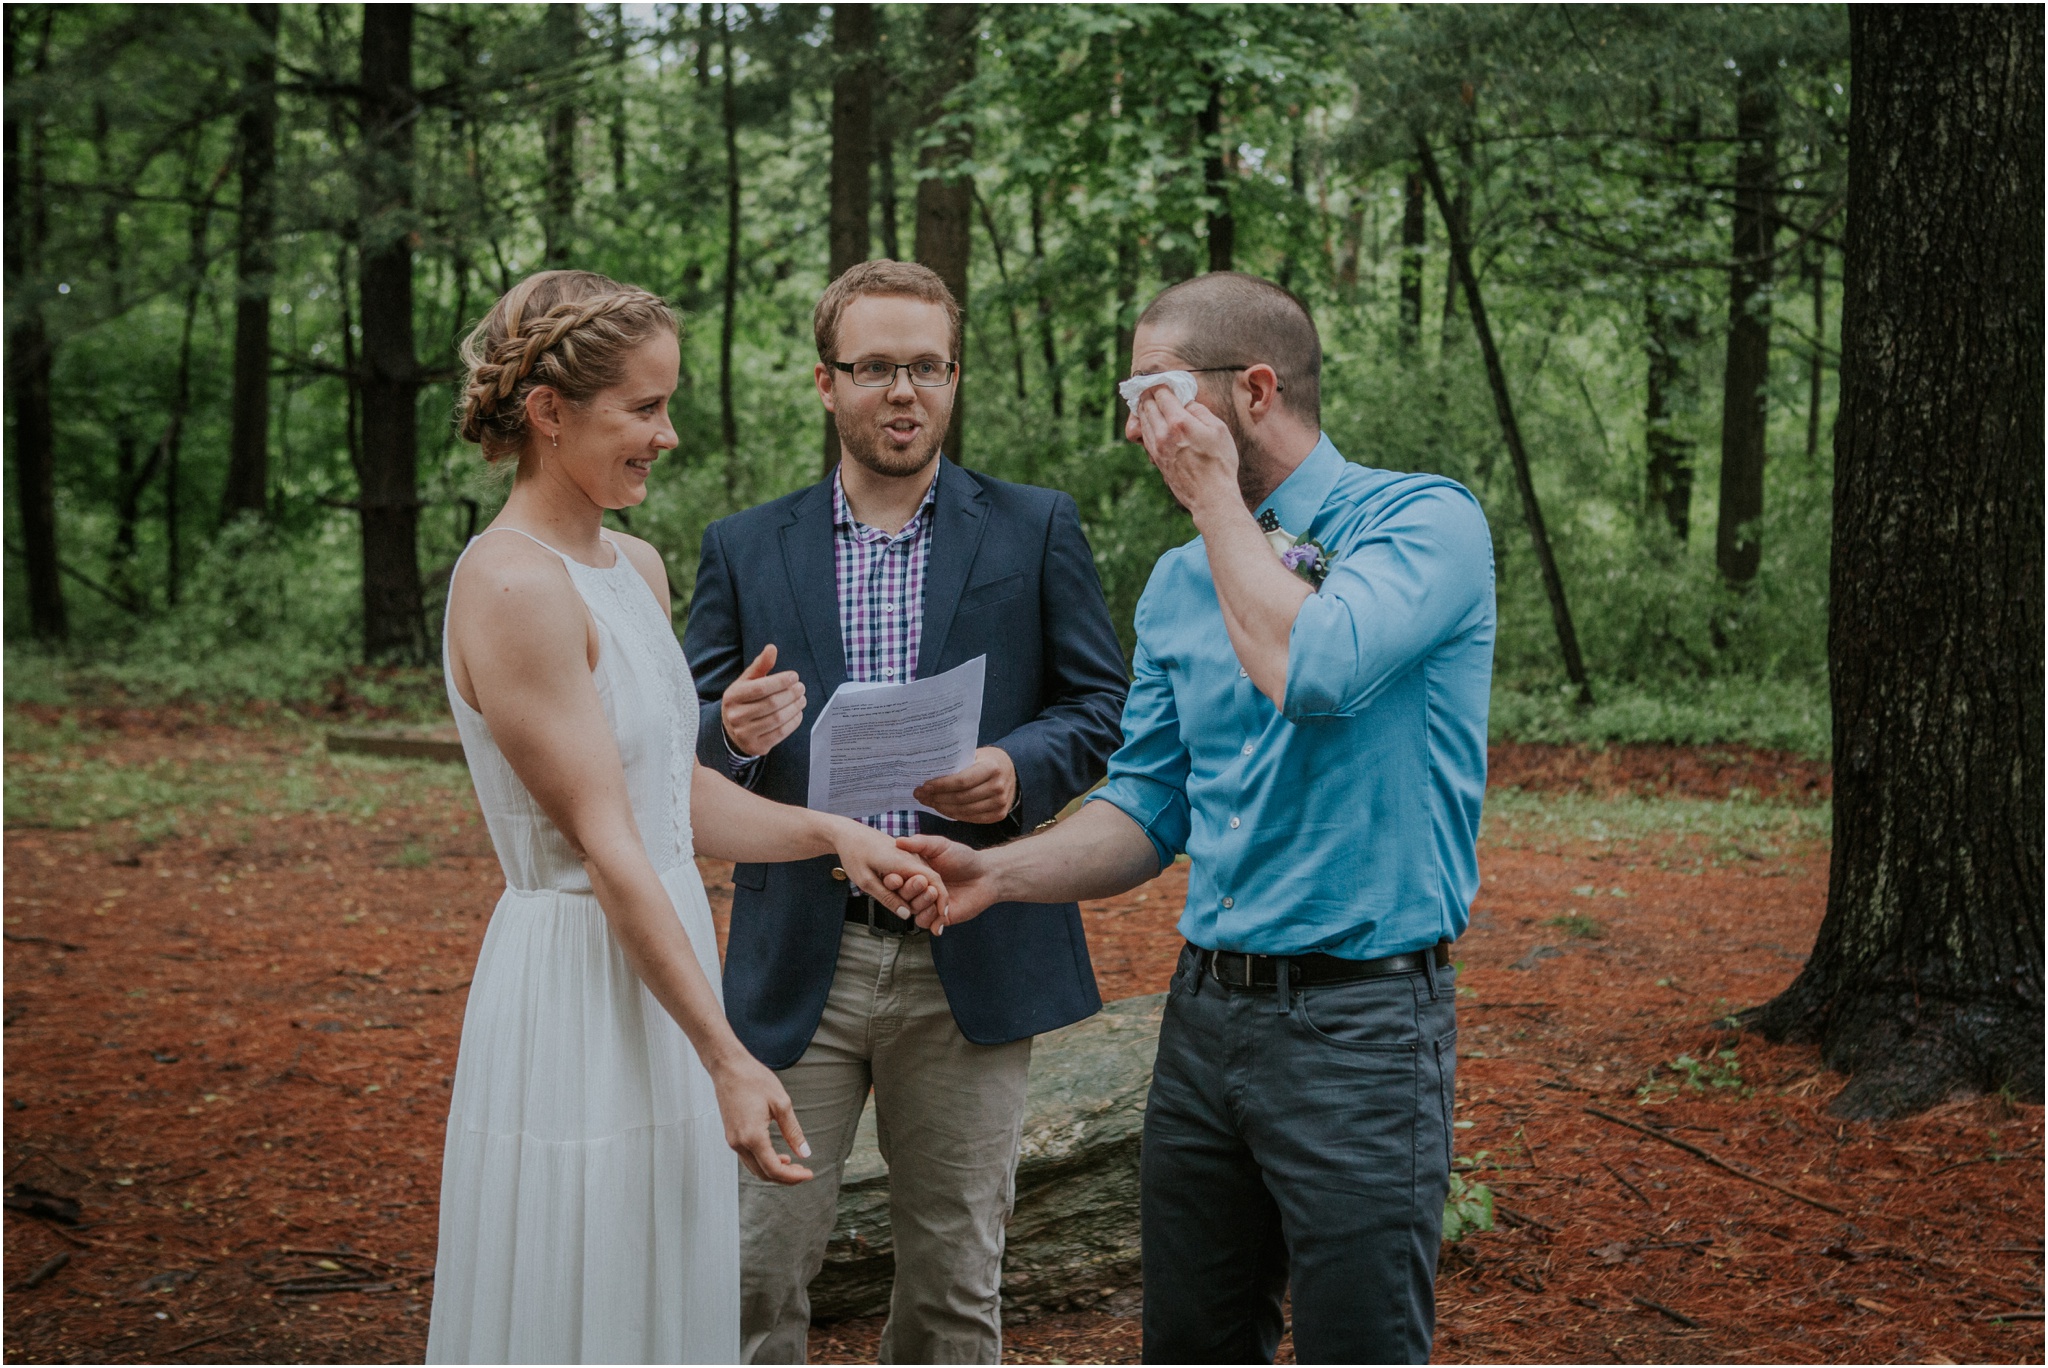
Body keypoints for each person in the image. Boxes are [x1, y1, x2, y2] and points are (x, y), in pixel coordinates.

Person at [900, 272, 1496, 1365]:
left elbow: (1314, 672)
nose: (1135, 426)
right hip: (1204, 1021)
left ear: (1253, 389)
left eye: (1153, 392)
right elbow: (1147, 801)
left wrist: (1218, 502)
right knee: (1189, 1344)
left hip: (1359, 1028)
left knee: (1356, 1348)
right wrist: (1003, 873)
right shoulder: (1179, 581)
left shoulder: (1420, 521)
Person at [426, 269, 947, 1365]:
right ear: (548, 412)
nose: (667, 436)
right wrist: (726, 1054)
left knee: (668, 1274)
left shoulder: (633, 565)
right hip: (580, 977)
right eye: (644, 408)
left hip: (661, 964)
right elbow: (607, 846)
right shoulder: (512, 585)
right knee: (586, 1280)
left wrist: (834, 835)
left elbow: (666, 801)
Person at [683, 259, 1128, 1364]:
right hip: (800, 954)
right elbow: (675, 735)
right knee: (752, 1269)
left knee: (952, 1281)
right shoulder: (745, 546)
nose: (903, 392)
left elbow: (1098, 704)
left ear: (952, 377)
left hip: (967, 946)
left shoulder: (1032, 528)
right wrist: (727, 732)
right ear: (825, 382)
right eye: (876, 366)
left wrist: (1017, 767)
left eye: (925, 367)